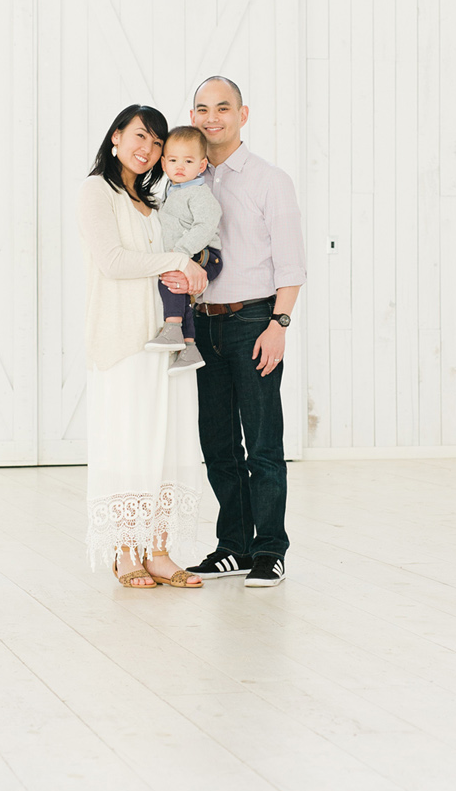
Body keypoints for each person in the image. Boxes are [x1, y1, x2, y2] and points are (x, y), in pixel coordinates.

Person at [78, 104, 215, 589]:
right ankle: (125, 552)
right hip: (122, 341)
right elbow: (114, 261)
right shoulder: (97, 192)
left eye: (157, 143)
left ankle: (159, 550)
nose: (148, 149)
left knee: (164, 443)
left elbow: (168, 267)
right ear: (116, 136)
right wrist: (178, 258)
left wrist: (191, 272)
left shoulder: (156, 204)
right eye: (139, 136)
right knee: (128, 443)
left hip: (166, 340)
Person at [176, 75, 305, 589]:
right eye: (202, 108)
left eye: (222, 108)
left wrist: (279, 325)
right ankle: (233, 545)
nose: (211, 117)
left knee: (263, 444)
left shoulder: (270, 180)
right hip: (203, 324)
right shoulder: (187, 179)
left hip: (255, 321)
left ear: (242, 114)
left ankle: (269, 549)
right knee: (218, 444)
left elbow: (292, 265)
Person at [143, 125, 222, 373]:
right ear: (164, 163)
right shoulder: (173, 191)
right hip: (190, 254)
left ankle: (173, 328)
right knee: (181, 289)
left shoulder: (197, 192)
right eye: (174, 160)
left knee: (170, 279)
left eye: (188, 161)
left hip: (206, 255)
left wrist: (179, 254)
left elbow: (207, 223)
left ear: (201, 166)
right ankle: (189, 347)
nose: (180, 166)